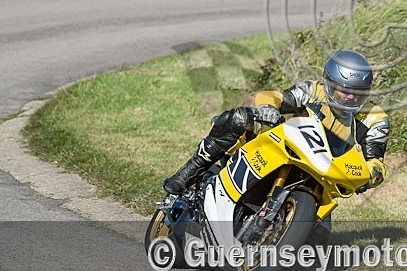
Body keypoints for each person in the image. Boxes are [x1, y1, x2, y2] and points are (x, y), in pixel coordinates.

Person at [163, 49, 390, 195]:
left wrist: (368, 176)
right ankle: (191, 170)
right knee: (240, 118)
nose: (351, 97)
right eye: (345, 90)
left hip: (323, 177)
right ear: (330, 84)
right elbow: (277, 97)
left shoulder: (376, 118)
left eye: (358, 92)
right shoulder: (312, 90)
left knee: (317, 243)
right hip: (285, 148)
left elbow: (377, 162)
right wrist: (268, 108)